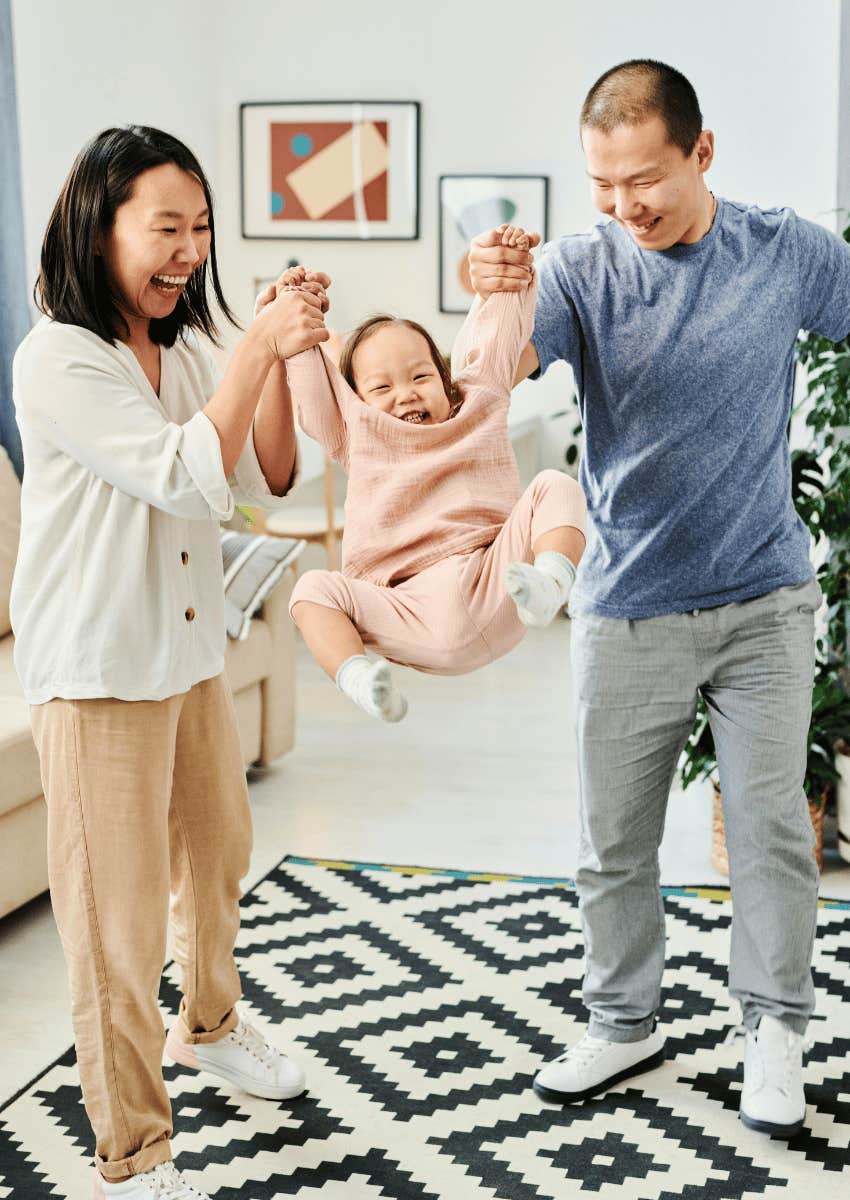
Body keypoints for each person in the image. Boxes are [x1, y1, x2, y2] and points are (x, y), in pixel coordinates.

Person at [468, 59, 850, 1138]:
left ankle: (774, 1030)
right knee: (610, 840)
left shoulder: (785, 253)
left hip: (764, 601)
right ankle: (625, 1021)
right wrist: (493, 296)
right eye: (599, 184)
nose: (622, 205)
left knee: (773, 829)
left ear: (702, 153)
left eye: (643, 179)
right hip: (627, 602)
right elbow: (481, 386)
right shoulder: (581, 269)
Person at [11, 126, 330, 1200]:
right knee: (118, 927)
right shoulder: (59, 355)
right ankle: (134, 1153)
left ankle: (211, 1026)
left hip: (185, 652)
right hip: (99, 669)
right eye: (166, 228)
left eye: (201, 228)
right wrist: (251, 348)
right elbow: (191, 478)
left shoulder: (187, 346)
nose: (189, 250)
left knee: (217, 863)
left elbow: (273, 472)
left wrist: (281, 351)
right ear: (100, 229)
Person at [268, 228, 586, 723]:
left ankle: (551, 583)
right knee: (311, 590)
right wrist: (296, 317)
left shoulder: (477, 402)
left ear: (446, 380)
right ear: (356, 400)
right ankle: (362, 682)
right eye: (382, 387)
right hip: (409, 609)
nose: (406, 394)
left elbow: (498, 337)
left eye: (420, 377)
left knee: (556, 486)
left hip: (500, 583)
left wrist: (511, 270)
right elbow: (312, 391)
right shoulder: (356, 431)